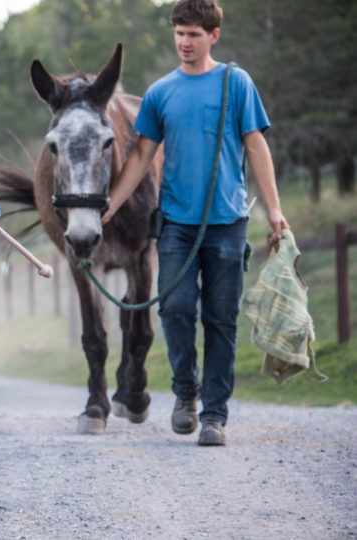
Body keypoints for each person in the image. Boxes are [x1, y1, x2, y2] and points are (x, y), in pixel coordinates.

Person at [101, 0, 288, 447]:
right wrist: (110, 204)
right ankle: (186, 392)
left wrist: (275, 209)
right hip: (177, 224)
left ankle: (215, 415)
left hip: (228, 221)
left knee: (221, 320)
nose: (185, 42)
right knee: (176, 308)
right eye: (179, 33)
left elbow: (256, 146)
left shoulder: (235, 83)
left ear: (213, 36)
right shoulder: (161, 92)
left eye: (194, 34)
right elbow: (142, 154)